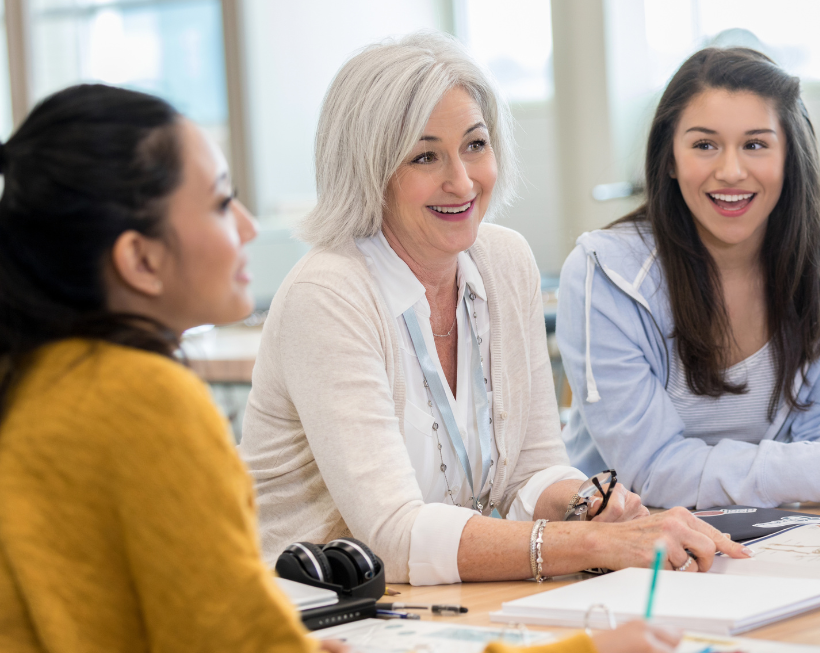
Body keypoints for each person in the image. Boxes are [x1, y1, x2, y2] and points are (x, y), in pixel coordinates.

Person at [239, 32, 749, 586]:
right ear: (369, 170)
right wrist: (595, 541)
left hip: (439, 609)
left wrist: (586, 503)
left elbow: (531, 468)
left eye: (475, 145)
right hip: (313, 614)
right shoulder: (328, 294)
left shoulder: (504, 261)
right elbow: (395, 535)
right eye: (425, 155)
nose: (461, 181)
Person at [0, 84, 346, 653]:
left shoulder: (33, 380)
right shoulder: (141, 396)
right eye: (218, 202)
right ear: (140, 259)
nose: (247, 226)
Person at [556, 47, 820, 509]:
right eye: (704, 145)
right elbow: (651, 470)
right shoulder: (606, 273)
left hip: (776, 532)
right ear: (669, 158)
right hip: (627, 547)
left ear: (789, 155)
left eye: (755, 144)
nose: (731, 171)